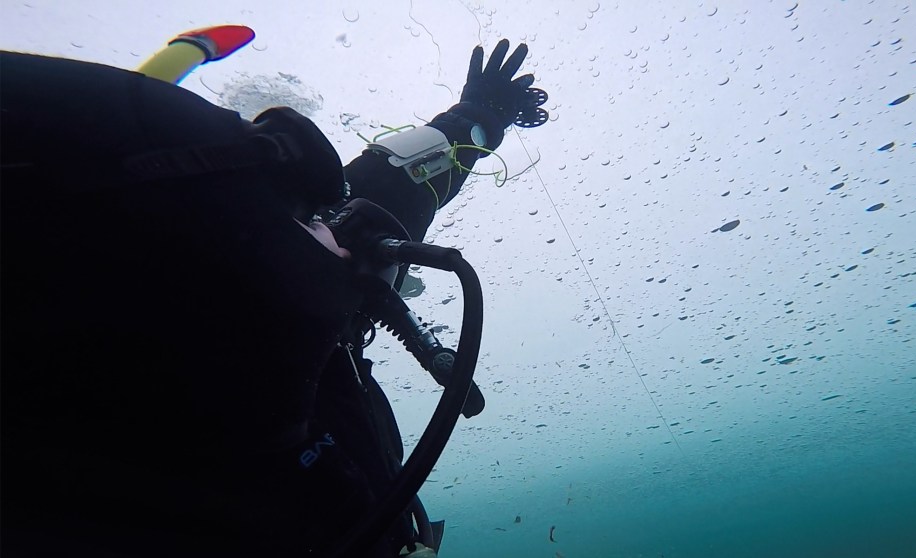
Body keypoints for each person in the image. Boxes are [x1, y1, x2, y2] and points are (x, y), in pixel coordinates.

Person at [0, 38, 548, 558]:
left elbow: (392, 182)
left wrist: (478, 118)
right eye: (300, 221)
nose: (334, 235)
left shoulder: (298, 265)